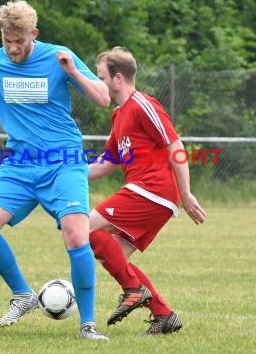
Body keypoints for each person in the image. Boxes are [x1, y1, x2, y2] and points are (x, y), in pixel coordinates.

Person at [0, 0, 110, 340]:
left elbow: (102, 98)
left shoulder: (59, 56)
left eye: (19, 41)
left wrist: (72, 72)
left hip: (63, 160)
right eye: (7, 40)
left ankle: (87, 324)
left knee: (75, 233)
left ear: (34, 35)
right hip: (20, 162)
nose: (12, 48)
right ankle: (23, 294)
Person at [88, 47, 207, 335]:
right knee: (111, 252)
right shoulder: (119, 116)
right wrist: (67, 172)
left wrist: (187, 193)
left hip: (152, 190)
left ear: (118, 78)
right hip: (148, 194)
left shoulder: (143, 104)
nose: (96, 83)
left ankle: (133, 290)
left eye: (100, 77)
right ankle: (163, 314)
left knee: (83, 227)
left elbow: (175, 146)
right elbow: (107, 163)